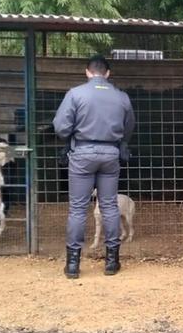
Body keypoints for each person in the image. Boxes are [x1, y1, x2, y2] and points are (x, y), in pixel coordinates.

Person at [53, 55, 134, 279]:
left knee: (78, 208)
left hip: (82, 153)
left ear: (87, 72)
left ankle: (72, 265)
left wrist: (71, 139)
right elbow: (129, 127)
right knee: (109, 206)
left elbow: (60, 127)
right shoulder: (122, 97)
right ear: (107, 73)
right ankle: (111, 262)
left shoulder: (75, 94)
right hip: (111, 154)